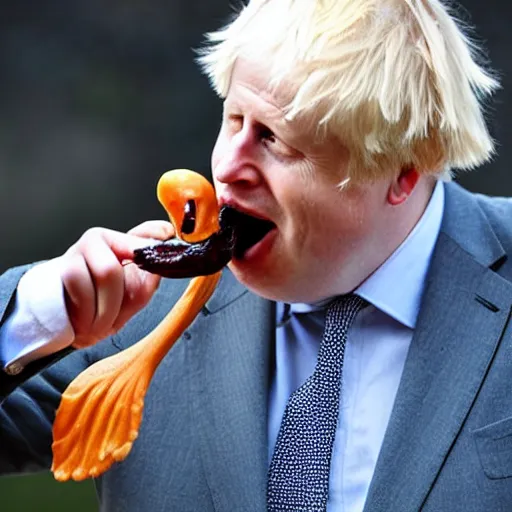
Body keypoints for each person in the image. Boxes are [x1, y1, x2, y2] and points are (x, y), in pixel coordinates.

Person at [0, 0, 510, 510]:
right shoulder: (135, 305)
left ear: (403, 173)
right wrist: (41, 312)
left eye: (275, 139)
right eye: (234, 118)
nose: (227, 167)